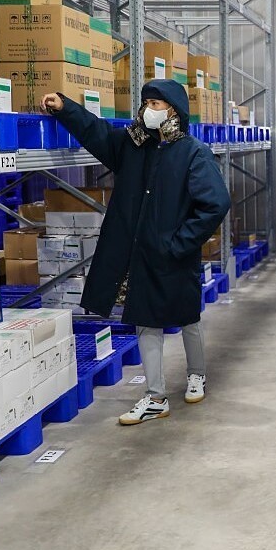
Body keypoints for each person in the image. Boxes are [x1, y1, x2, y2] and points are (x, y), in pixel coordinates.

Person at [41, 80, 230, 425]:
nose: (148, 110)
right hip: (140, 253)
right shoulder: (132, 145)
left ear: (174, 109)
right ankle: (155, 396)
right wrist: (66, 108)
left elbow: (215, 204)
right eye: (145, 103)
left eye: (156, 103)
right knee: (145, 319)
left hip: (174, 253)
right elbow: (96, 132)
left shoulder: (193, 152)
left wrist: (179, 243)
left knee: (187, 315)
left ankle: (196, 374)